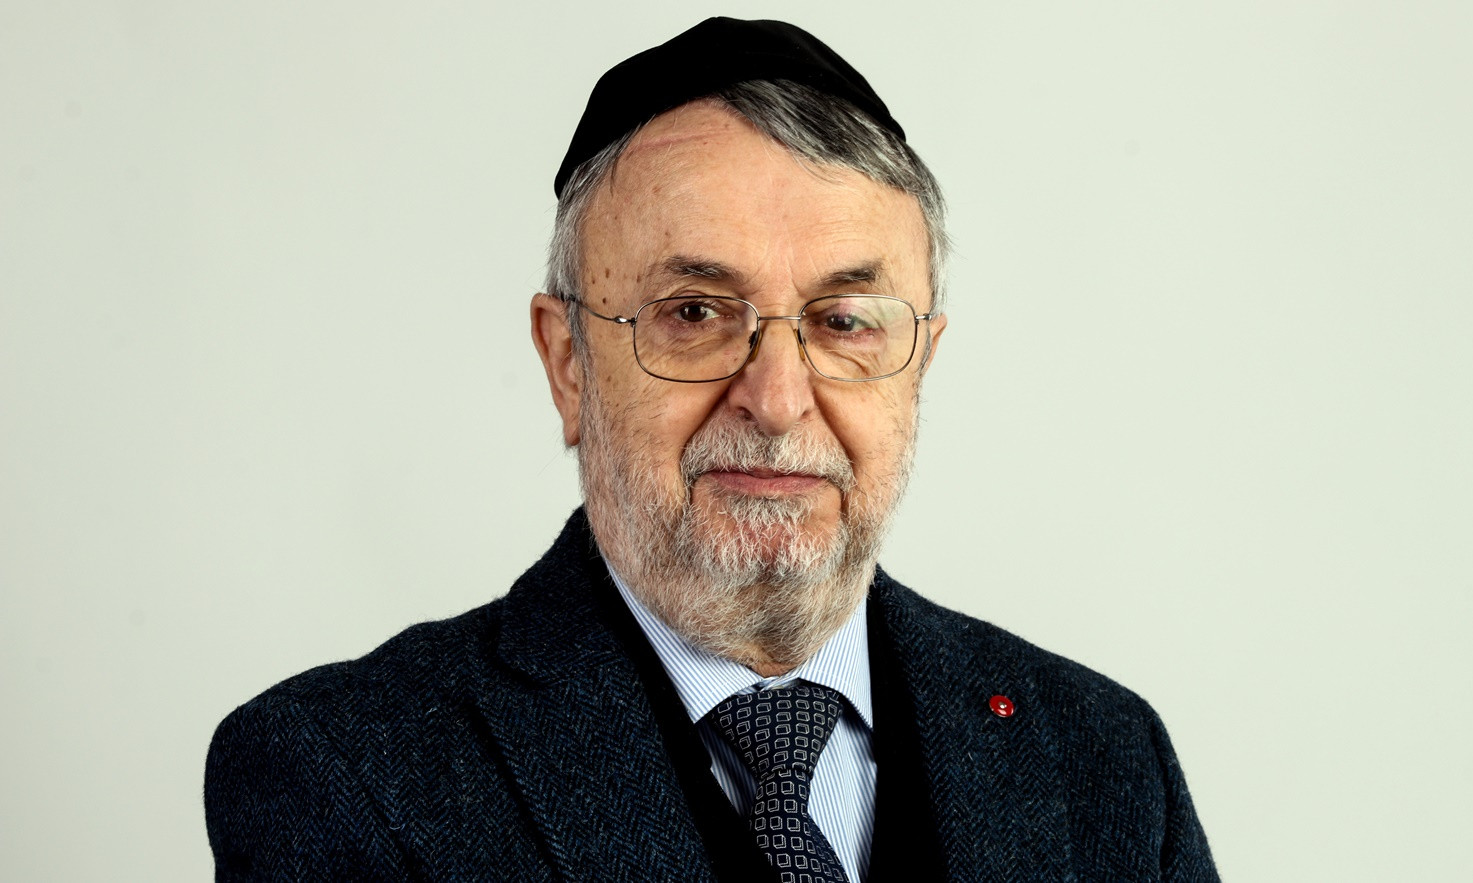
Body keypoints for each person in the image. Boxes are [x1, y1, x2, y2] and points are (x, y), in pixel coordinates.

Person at [205, 17, 1217, 882]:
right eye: (694, 312)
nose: (776, 401)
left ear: (918, 364)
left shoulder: (1105, 760)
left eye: (845, 321)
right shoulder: (349, 776)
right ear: (569, 363)